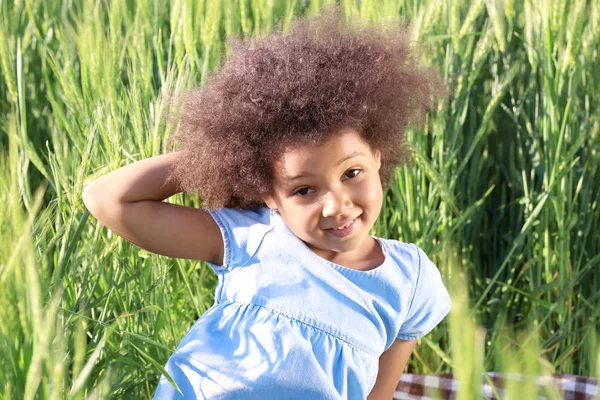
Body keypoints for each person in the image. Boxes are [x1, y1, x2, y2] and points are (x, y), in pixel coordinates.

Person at [82, 6, 451, 400]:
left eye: (351, 173)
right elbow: (106, 199)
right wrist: (214, 155)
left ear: (377, 155)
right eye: (303, 190)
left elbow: (378, 392)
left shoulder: (411, 279)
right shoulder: (252, 237)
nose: (337, 205)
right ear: (268, 194)